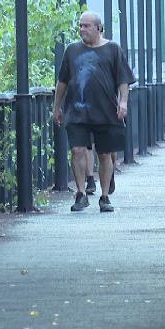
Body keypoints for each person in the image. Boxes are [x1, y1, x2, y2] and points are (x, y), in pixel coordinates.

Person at [53, 11, 135, 212]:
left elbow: (123, 80)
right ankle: (81, 193)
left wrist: (123, 102)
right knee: (77, 150)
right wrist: (57, 107)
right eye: (80, 25)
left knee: (105, 154)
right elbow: (62, 81)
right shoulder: (72, 51)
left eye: (86, 26)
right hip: (77, 111)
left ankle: (105, 196)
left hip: (106, 111)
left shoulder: (113, 49)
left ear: (99, 28)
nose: (82, 29)